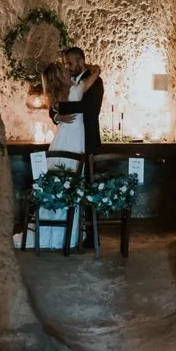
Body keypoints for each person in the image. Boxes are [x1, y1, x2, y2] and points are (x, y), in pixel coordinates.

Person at [13, 60, 102, 250]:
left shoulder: (61, 93)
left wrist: (57, 115)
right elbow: (91, 79)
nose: (67, 68)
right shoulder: (75, 90)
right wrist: (96, 70)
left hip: (64, 140)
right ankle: (66, 236)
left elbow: (60, 108)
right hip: (74, 142)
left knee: (62, 183)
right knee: (70, 183)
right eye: (64, 68)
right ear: (60, 76)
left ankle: (56, 231)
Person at [50, 47, 104, 153]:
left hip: (87, 139)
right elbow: (52, 104)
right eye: (65, 64)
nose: (67, 67)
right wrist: (57, 116)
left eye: (70, 63)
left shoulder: (95, 81)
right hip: (67, 138)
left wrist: (59, 106)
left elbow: (89, 107)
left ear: (80, 61)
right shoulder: (65, 80)